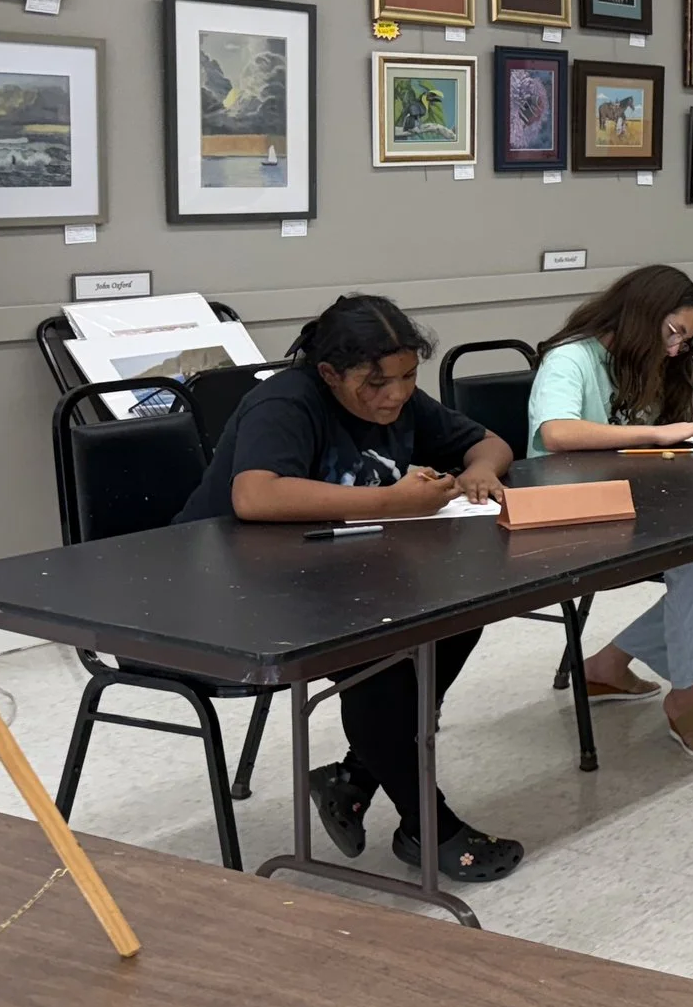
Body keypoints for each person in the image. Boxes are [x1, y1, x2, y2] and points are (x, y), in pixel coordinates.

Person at [174, 295, 525, 884]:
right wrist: (394, 502)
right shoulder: (286, 401)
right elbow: (255, 496)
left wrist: (480, 471)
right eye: (376, 382)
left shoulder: (402, 400)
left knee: (461, 613)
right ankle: (425, 826)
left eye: (409, 377)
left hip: (333, 575)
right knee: (385, 658)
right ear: (330, 374)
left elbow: (489, 443)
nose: (394, 394)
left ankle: (357, 775)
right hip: (227, 588)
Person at [528, 266, 693, 761]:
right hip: (570, 512)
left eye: (685, 341)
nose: (675, 349)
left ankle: (606, 665)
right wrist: (657, 433)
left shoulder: (646, 362)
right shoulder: (572, 358)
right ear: (641, 315)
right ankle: (686, 698)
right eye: (673, 333)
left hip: (629, 506)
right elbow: (557, 432)